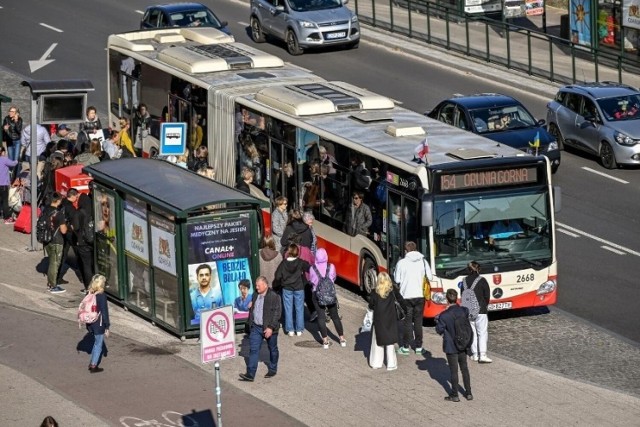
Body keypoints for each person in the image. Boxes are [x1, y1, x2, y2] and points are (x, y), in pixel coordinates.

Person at [394, 241, 434, 355]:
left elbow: (397, 280)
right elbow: (430, 277)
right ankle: (418, 347)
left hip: (406, 296)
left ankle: (405, 347)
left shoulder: (401, 263)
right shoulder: (423, 261)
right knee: (418, 321)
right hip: (420, 296)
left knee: (407, 321)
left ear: (406, 250)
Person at [240, 276, 282, 382]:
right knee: (253, 350)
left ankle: (272, 369)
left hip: (269, 328)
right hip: (256, 327)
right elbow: (254, 308)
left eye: (258, 285)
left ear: (265, 285)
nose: (256, 287)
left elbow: (277, 313)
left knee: (272, 349)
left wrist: (270, 328)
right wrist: (251, 306)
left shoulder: (274, 296)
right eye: (256, 285)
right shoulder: (255, 294)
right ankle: (250, 374)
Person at [435, 288, 473, 402]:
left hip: (451, 346)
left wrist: (438, 320)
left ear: (447, 299)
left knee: (454, 371)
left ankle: (454, 394)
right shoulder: (464, 310)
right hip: (463, 343)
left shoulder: (444, 315)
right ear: (457, 299)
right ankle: (469, 393)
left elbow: (439, 329)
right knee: (464, 368)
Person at [309, 248, 346, 349]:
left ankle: (325, 341)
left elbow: (312, 281)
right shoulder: (331, 266)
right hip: (330, 294)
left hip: (317, 294)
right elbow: (333, 278)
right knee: (335, 316)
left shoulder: (312, 268)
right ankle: (342, 339)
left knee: (321, 317)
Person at [368, 272, 403, 370]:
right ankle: (391, 364)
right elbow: (401, 300)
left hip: (379, 320)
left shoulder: (375, 292)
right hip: (390, 319)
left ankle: (376, 363)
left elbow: (371, 305)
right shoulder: (392, 291)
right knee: (390, 342)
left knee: (378, 342)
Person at [274, 243, 310, 336]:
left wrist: (283, 280)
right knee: (299, 309)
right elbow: (309, 267)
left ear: (288, 252)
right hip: (299, 288)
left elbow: (277, 276)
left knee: (288, 309)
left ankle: (290, 330)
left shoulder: (284, 263)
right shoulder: (300, 262)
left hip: (287, 288)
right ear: (297, 252)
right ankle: (299, 329)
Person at [463, 261, 492, 363]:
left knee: (473, 332)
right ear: (478, 269)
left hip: (469, 310)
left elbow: (463, 295)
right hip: (481, 310)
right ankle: (482, 355)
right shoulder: (482, 280)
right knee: (482, 332)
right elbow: (487, 296)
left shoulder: (464, 281)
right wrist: (484, 305)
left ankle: (475, 354)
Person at [43, 192, 68, 294]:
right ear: (58, 201)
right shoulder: (59, 213)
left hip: (47, 239)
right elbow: (63, 230)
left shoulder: (45, 210)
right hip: (56, 241)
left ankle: (51, 282)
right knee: (54, 263)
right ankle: (53, 286)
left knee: (51, 261)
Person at [87, 274, 110, 373]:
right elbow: (104, 312)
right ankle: (93, 365)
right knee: (98, 344)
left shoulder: (90, 293)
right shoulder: (102, 296)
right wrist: (107, 326)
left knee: (96, 342)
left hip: (90, 322)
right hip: (98, 323)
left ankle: (92, 361)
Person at [2, 106, 23, 179]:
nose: (10, 113)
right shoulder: (6, 118)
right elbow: (3, 128)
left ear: (16, 113)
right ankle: (10, 176)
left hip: (17, 141)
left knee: (16, 159)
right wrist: (4, 129)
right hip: (9, 141)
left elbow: (19, 130)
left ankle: (16, 177)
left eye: (12, 111)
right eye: (10, 111)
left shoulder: (19, 120)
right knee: (10, 160)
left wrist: (16, 121)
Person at [0, 146, 18, 224]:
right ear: (3, 152)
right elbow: (13, 164)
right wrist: (17, 160)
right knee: (5, 201)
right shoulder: (4, 159)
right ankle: (7, 218)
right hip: (3, 184)